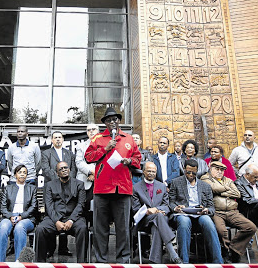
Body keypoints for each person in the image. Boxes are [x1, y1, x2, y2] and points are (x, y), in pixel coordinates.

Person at [85, 107, 141, 263]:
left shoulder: (129, 139)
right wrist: (105, 148)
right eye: (109, 120)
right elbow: (88, 157)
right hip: (102, 188)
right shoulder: (97, 139)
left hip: (123, 189)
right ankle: (101, 261)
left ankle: (123, 261)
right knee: (100, 228)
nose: (113, 122)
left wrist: (130, 161)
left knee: (123, 228)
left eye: (115, 119)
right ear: (105, 123)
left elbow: (138, 159)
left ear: (119, 121)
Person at [200, 161, 256, 263]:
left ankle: (234, 250)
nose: (220, 172)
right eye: (217, 169)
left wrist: (221, 192)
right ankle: (225, 253)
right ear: (210, 168)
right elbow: (213, 188)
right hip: (216, 212)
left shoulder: (228, 180)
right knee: (222, 231)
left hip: (232, 211)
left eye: (222, 170)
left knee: (251, 227)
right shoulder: (205, 178)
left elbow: (237, 194)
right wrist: (227, 189)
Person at [169, 159, 223, 264]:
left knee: (208, 222)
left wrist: (207, 210)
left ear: (197, 171)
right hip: (183, 213)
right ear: (184, 169)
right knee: (184, 222)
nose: (190, 174)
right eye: (188, 172)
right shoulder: (176, 182)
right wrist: (176, 208)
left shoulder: (205, 186)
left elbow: (211, 206)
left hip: (200, 214)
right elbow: (171, 201)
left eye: (193, 172)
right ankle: (184, 262)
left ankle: (218, 262)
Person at [35, 161, 87, 263]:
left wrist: (71, 220)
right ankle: (40, 263)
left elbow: (81, 204)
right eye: (60, 169)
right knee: (41, 229)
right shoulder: (49, 185)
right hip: (54, 218)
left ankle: (82, 263)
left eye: (65, 168)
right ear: (57, 173)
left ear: (69, 169)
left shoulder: (79, 184)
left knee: (82, 228)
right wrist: (56, 221)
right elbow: (49, 206)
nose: (63, 170)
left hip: (73, 218)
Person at [132, 162, 182, 264]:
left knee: (157, 224)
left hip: (160, 218)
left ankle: (156, 261)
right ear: (144, 172)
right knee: (158, 217)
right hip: (144, 220)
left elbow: (167, 205)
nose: (151, 173)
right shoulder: (136, 187)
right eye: (149, 171)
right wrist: (147, 211)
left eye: (153, 171)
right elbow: (135, 209)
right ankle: (172, 252)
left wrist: (157, 209)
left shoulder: (161, 186)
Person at [41, 130, 77, 256]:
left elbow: (73, 170)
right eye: (55, 137)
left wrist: (67, 180)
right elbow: (46, 169)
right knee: (53, 215)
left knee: (65, 214)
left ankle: (63, 248)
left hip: (68, 187)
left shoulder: (70, 154)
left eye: (60, 137)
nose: (57, 139)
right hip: (52, 187)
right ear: (51, 140)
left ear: (63, 140)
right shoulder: (46, 153)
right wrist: (58, 179)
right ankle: (51, 249)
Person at [0, 165, 37, 262]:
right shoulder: (8, 188)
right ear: (15, 175)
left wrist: (21, 216)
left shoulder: (32, 188)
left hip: (26, 218)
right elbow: (3, 207)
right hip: (9, 217)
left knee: (20, 227)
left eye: (24, 172)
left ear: (27, 175)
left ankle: (20, 262)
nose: (22, 174)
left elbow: (33, 207)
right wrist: (11, 216)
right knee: (3, 227)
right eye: (20, 172)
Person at [76, 124, 99, 216]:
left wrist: (95, 173)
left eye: (93, 129)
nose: (91, 131)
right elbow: (79, 162)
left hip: (100, 180)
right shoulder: (81, 146)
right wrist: (90, 172)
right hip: (85, 180)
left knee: (99, 208)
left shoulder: (104, 145)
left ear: (98, 131)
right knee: (84, 207)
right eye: (89, 130)